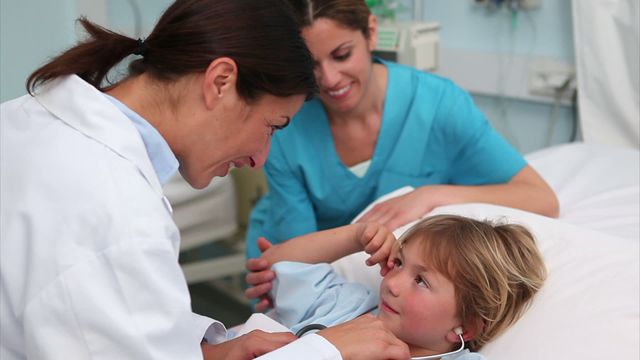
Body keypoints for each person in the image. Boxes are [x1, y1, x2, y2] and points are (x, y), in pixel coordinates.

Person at [0, 1, 409, 359]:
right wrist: (325, 351)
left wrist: (209, 352)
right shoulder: (115, 211)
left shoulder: (27, 118)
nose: (258, 160)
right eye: (272, 125)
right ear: (220, 82)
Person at [245, 0, 560, 262]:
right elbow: (298, 263)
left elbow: (541, 199)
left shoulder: (439, 105)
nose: (328, 79)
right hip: (300, 264)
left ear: (370, 32)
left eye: (342, 55)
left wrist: (431, 196)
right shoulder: (286, 125)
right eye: (310, 65)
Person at [251, 214, 547, 359]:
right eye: (400, 263)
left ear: (466, 327)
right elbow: (273, 264)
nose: (392, 283)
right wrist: (356, 236)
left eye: (421, 280)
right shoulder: (350, 307)